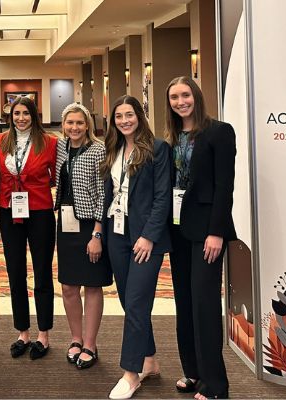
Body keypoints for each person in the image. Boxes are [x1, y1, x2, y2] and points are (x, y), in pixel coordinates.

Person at [166, 76, 236, 400]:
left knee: (205, 305)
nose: (180, 101)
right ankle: (193, 372)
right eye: (174, 97)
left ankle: (216, 386)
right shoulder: (172, 137)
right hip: (179, 229)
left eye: (185, 95)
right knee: (185, 303)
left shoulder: (219, 132)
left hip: (207, 232)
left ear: (196, 95)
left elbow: (225, 187)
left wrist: (217, 232)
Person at [102, 95, 171, 399]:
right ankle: (151, 361)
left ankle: (131, 374)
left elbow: (162, 198)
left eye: (129, 115)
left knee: (137, 303)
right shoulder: (114, 149)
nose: (124, 121)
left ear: (139, 117)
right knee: (131, 304)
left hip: (145, 238)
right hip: (117, 233)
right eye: (119, 116)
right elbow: (110, 193)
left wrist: (149, 235)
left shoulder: (157, 149)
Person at [0, 96, 58, 360]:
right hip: (9, 212)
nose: (21, 118)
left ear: (34, 115)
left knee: (42, 272)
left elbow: (56, 176)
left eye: (26, 113)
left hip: (41, 211)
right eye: (16, 113)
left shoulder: (51, 143)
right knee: (15, 272)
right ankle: (23, 331)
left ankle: (43, 333)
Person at [53, 103, 111, 370]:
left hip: (90, 226)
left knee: (92, 285)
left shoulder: (98, 150)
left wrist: (97, 234)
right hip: (66, 225)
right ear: (63, 125)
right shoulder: (61, 147)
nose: (74, 127)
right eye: (69, 123)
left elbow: (103, 194)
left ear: (87, 124)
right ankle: (75, 338)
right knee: (68, 286)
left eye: (79, 123)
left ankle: (90, 343)